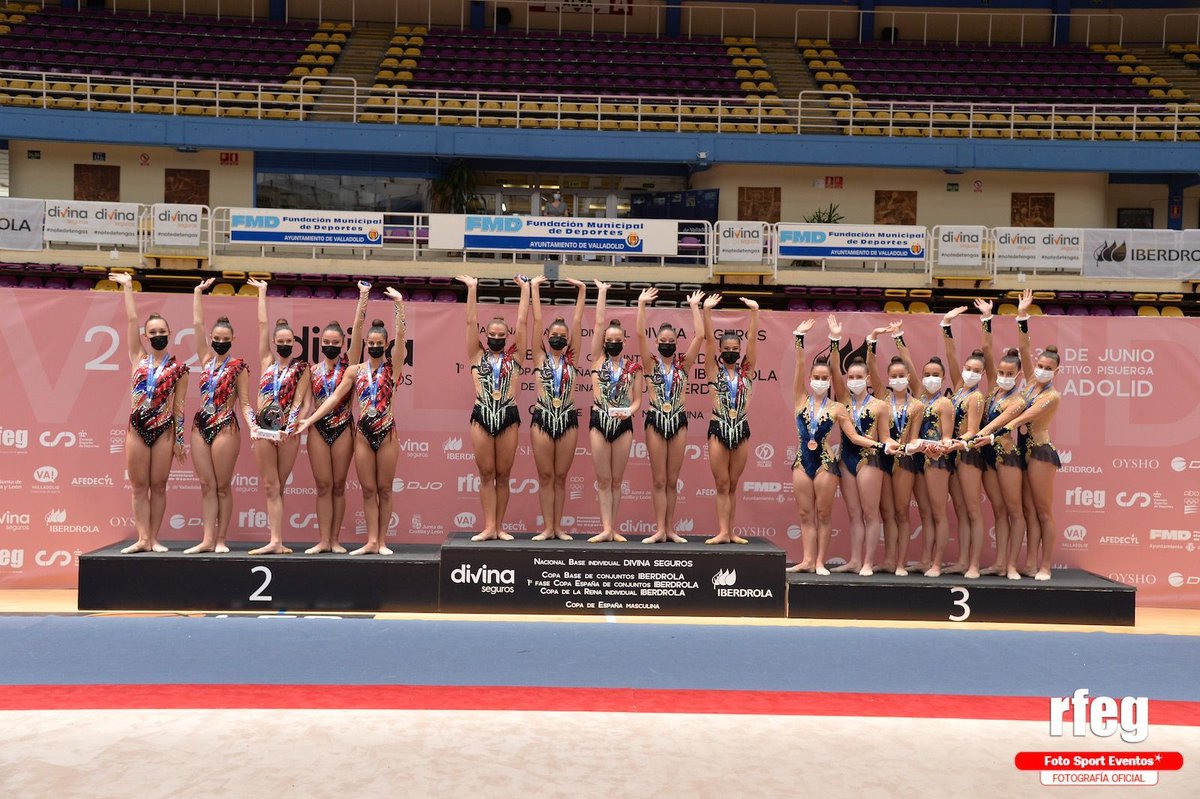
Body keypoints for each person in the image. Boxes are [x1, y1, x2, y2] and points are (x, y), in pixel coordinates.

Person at [299, 289, 407, 556]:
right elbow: (334, 398)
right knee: (368, 490)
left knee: (384, 489)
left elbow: (402, 339)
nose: (372, 346)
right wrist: (309, 420)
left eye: (378, 343)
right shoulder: (353, 370)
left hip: (386, 431)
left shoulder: (393, 367)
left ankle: (382, 542)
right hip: (362, 433)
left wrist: (399, 306)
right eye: (369, 343)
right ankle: (370, 541)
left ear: (385, 345)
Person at [975, 299, 1063, 580]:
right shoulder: (1026, 385)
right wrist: (1021, 316)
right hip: (1020, 450)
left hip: (1039, 450)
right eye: (1040, 365)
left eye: (1048, 368)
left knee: (1043, 511)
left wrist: (994, 432)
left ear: (1056, 371)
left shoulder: (1051, 395)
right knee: (1025, 508)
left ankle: (1045, 565)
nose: (1042, 369)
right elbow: (1024, 347)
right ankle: (1029, 563)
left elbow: (1021, 419)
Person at [110, 271, 189, 554]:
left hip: (164, 428)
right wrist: (128, 287)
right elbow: (131, 320)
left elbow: (179, 408)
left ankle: (154, 538)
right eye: (152, 332)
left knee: (158, 485)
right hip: (137, 428)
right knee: (139, 485)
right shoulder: (137, 357)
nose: (157, 336)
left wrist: (179, 439)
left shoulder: (179, 369)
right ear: (146, 336)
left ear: (170, 334)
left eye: (161, 332)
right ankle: (142, 538)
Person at [456, 274, 529, 542]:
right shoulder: (476, 354)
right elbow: (469, 322)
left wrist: (525, 290)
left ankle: (500, 526)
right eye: (492, 334)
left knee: (503, 474)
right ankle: (488, 527)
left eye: (501, 335)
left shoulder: (516, 357)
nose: (496, 338)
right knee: (486, 473)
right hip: (482, 415)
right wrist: (473, 289)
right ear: (486, 336)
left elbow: (522, 322)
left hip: (508, 414)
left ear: (507, 337)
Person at [244, 278, 312, 555]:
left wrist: (291, 424)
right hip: (262, 430)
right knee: (270, 485)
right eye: (280, 341)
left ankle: (278, 540)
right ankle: (274, 540)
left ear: (294, 343)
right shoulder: (266, 361)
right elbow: (262, 325)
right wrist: (262, 293)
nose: (284, 344)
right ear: (274, 342)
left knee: (279, 485)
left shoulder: (302, 368)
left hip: (287, 432)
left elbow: (300, 400)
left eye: (288, 341)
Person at [185, 278, 253, 555]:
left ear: (233, 340)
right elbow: (197, 326)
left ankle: (221, 539)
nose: (220, 342)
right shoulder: (204, 359)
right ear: (211, 340)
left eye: (226, 339)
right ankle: (206, 539)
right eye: (217, 339)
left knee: (222, 486)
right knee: (206, 485)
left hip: (226, 424)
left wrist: (254, 427)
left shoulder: (239, 367)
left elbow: (246, 402)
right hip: (201, 425)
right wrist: (197, 294)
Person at [303, 282, 369, 554]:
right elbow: (306, 402)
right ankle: (323, 540)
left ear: (343, 344)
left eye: (335, 342)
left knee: (339, 485)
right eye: (326, 342)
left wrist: (362, 298)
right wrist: (300, 420)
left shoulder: (350, 366)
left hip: (343, 427)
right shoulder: (312, 369)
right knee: (323, 486)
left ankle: (336, 540)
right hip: (318, 429)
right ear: (320, 343)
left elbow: (359, 328)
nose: (330, 346)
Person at [635, 287, 705, 544]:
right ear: (657, 344)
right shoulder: (650, 363)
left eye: (670, 341)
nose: (666, 344)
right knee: (659, 479)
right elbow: (640, 334)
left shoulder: (683, 365)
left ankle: (670, 528)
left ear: (676, 344)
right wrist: (641, 304)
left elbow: (700, 336)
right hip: (655, 421)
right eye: (662, 342)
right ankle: (658, 529)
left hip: (678, 421)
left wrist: (694, 307)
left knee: (673, 480)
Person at [528, 275, 588, 541]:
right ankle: (547, 527)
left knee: (561, 476)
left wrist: (582, 291)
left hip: (567, 418)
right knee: (545, 475)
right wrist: (535, 289)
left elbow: (577, 322)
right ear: (547, 337)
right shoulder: (540, 357)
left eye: (562, 336)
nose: (558, 338)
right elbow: (538, 321)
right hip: (542, 417)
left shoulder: (571, 359)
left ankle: (558, 527)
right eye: (554, 335)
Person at [866, 324, 924, 577]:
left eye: (903, 374)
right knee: (886, 512)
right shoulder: (881, 397)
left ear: (909, 376)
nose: (899, 378)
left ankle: (901, 562)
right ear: (888, 378)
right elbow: (870, 367)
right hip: (882, 458)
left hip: (905, 461)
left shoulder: (917, 404)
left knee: (901, 512)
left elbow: (913, 437)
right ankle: (889, 559)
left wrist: (910, 446)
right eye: (894, 375)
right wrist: (873, 340)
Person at [701, 294, 760, 545]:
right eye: (727, 350)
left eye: (735, 350)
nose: (731, 353)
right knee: (722, 483)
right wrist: (706, 312)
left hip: (741, 428)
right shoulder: (713, 371)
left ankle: (731, 532)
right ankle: (722, 531)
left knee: (733, 484)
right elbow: (708, 344)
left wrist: (755, 313)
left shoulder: (747, 371)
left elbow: (754, 342)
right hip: (718, 426)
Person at [587, 281, 643, 543]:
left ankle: (614, 528)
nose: (612, 344)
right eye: (608, 341)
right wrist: (602, 293)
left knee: (618, 479)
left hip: (622, 425)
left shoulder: (633, 368)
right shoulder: (597, 360)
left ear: (624, 342)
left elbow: (638, 401)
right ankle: (605, 527)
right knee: (603, 478)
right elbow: (598, 324)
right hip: (599, 420)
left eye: (616, 341)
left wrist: (628, 412)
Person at [831, 347, 894, 576]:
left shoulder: (880, 405)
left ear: (867, 379)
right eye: (851, 377)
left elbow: (885, 436)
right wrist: (834, 341)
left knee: (870, 514)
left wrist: (889, 444)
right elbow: (834, 370)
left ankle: (868, 562)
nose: (854, 381)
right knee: (854, 513)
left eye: (859, 377)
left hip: (870, 460)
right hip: (845, 459)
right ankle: (855, 560)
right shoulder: (842, 402)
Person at [786, 318, 840, 574]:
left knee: (823, 514)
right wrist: (799, 337)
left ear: (829, 381)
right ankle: (807, 559)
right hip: (801, 461)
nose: (820, 380)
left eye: (824, 378)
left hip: (826, 462)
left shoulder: (836, 407)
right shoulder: (799, 399)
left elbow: (854, 433)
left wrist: (835, 341)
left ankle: (820, 561)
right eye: (816, 377)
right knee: (806, 514)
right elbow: (797, 366)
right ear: (810, 379)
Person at [942, 310, 989, 579]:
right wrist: (946, 325)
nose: (970, 373)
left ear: (983, 374)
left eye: (976, 371)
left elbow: (972, 432)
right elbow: (950, 357)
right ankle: (961, 560)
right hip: (953, 454)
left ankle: (973, 564)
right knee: (959, 509)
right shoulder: (960, 388)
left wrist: (955, 444)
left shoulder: (976, 397)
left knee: (972, 510)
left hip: (968, 455)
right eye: (967, 369)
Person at [912, 348, 957, 577]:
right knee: (925, 513)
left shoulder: (945, 404)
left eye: (935, 374)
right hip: (918, 459)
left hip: (936, 460)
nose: (931, 378)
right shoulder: (919, 401)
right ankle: (925, 559)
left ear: (942, 378)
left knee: (939, 513)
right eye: (927, 373)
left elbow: (947, 438)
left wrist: (933, 446)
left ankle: (937, 563)